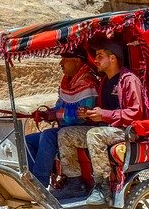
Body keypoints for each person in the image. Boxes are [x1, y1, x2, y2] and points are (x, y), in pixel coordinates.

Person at [57, 38, 145, 205]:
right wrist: (89, 114)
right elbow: (102, 112)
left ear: (112, 59)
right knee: (65, 134)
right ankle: (75, 183)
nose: (95, 60)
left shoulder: (128, 80)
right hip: (106, 129)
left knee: (95, 135)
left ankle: (102, 188)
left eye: (100, 56)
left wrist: (104, 115)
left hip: (126, 131)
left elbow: (135, 112)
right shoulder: (103, 81)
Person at [25, 47, 98, 192]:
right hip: (64, 129)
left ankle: (39, 184)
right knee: (28, 141)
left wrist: (57, 115)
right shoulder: (66, 83)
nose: (61, 63)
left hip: (83, 130)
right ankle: (30, 178)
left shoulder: (88, 83)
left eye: (65, 60)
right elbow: (59, 107)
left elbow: (82, 117)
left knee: (48, 135)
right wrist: (46, 114)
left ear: (77, 61)